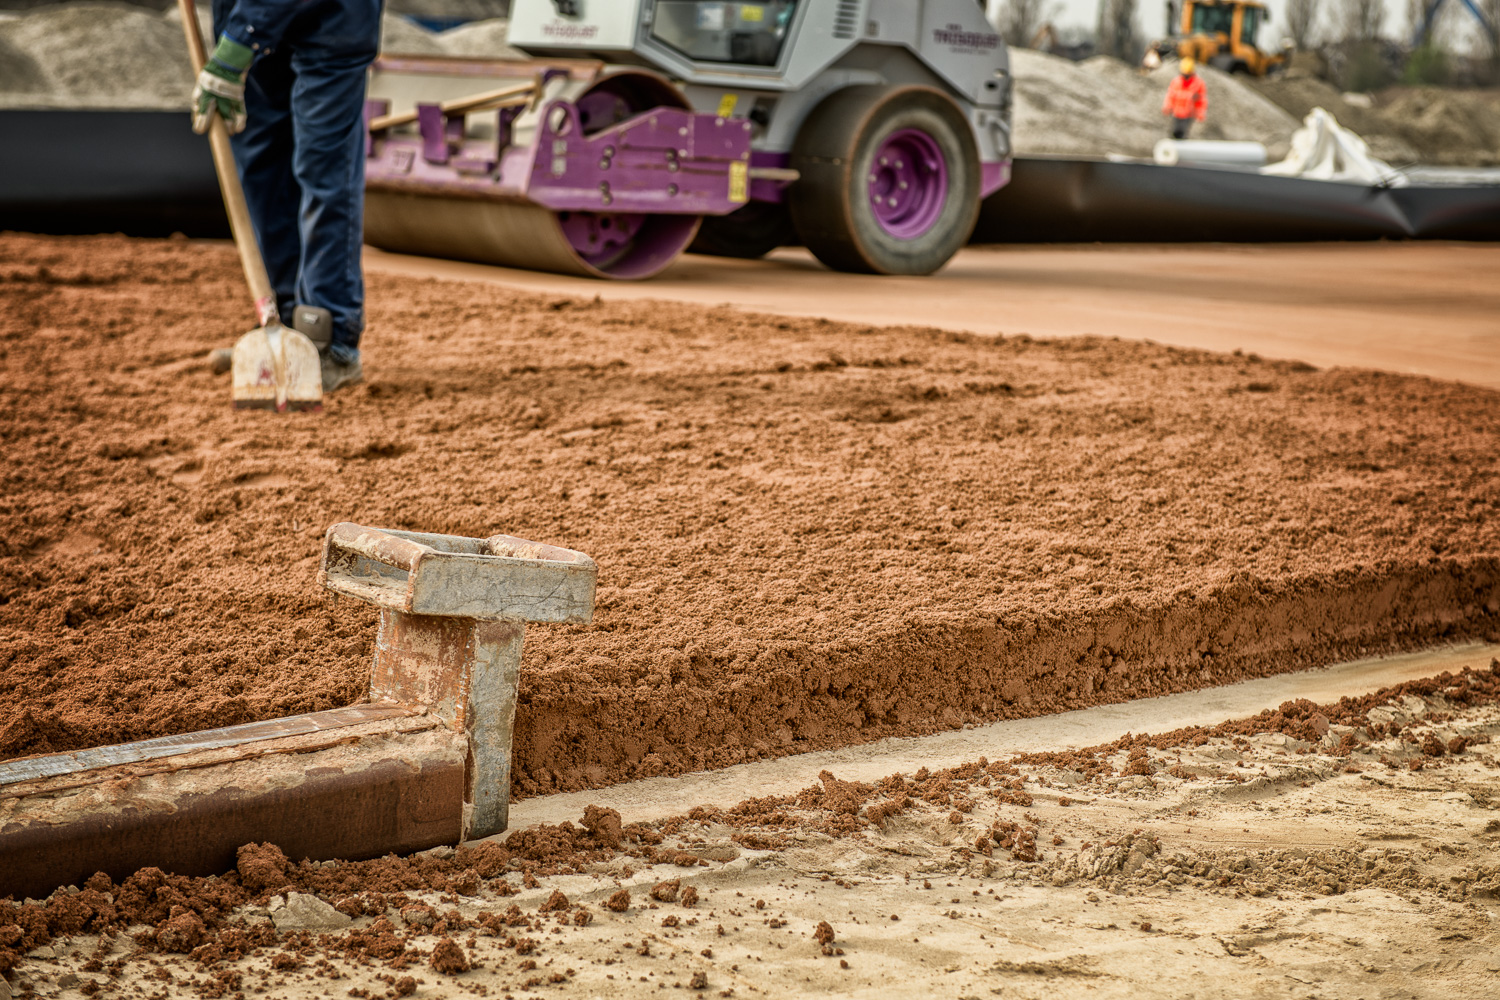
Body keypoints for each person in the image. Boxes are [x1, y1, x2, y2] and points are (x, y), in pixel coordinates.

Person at [192, 0, 380, 392]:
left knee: (323, 169)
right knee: (261, 164)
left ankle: (328, 339)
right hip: (250, 20)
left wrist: (238, 43)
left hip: (333, 20)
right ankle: (283, 324)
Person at [1162, 57, 1208, 140]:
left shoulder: (1198, 83)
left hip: (1189, 113)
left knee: (1183, 132)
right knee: (1175, 131)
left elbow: (1201, 100)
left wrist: (1200, 113)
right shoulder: (1176, 81)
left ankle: (1181, 143)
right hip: (1177, 112)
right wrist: (1167, 107)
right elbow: (1171, 95)